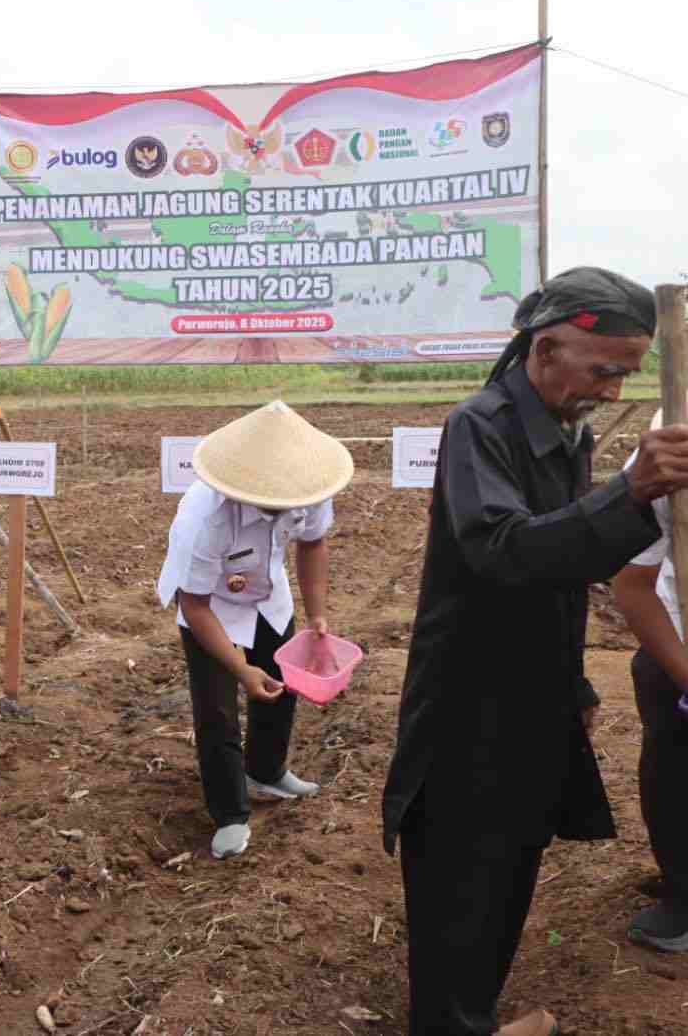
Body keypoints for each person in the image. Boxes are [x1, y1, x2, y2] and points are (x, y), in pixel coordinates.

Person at [380, 267, 688, 1036]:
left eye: (626, 374)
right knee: (461, 877)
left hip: (531, 691)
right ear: (547, 348)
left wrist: (575, 685)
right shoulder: (479, 426)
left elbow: (559, 573)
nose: (613, 392)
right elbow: (503, 551)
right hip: (469, 702)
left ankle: (470, 1018)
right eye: (604, 371)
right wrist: (630, 494)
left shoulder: (561, 429)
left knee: (508, 868)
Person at [156, 400, 349, 860]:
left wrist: (317, 612)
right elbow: (196, 604)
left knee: (283, 683)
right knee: (218, 709)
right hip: (211, 606)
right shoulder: (206, 517)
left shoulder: (311, 486)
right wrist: (241, 669)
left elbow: (313, 542)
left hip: (267, 591)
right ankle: (229, 814)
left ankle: (267, 768)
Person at [612, 404, 688, 952]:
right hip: (678, 646)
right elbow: (632, 584)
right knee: (674, 770)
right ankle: (683, 894)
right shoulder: (671, 450)